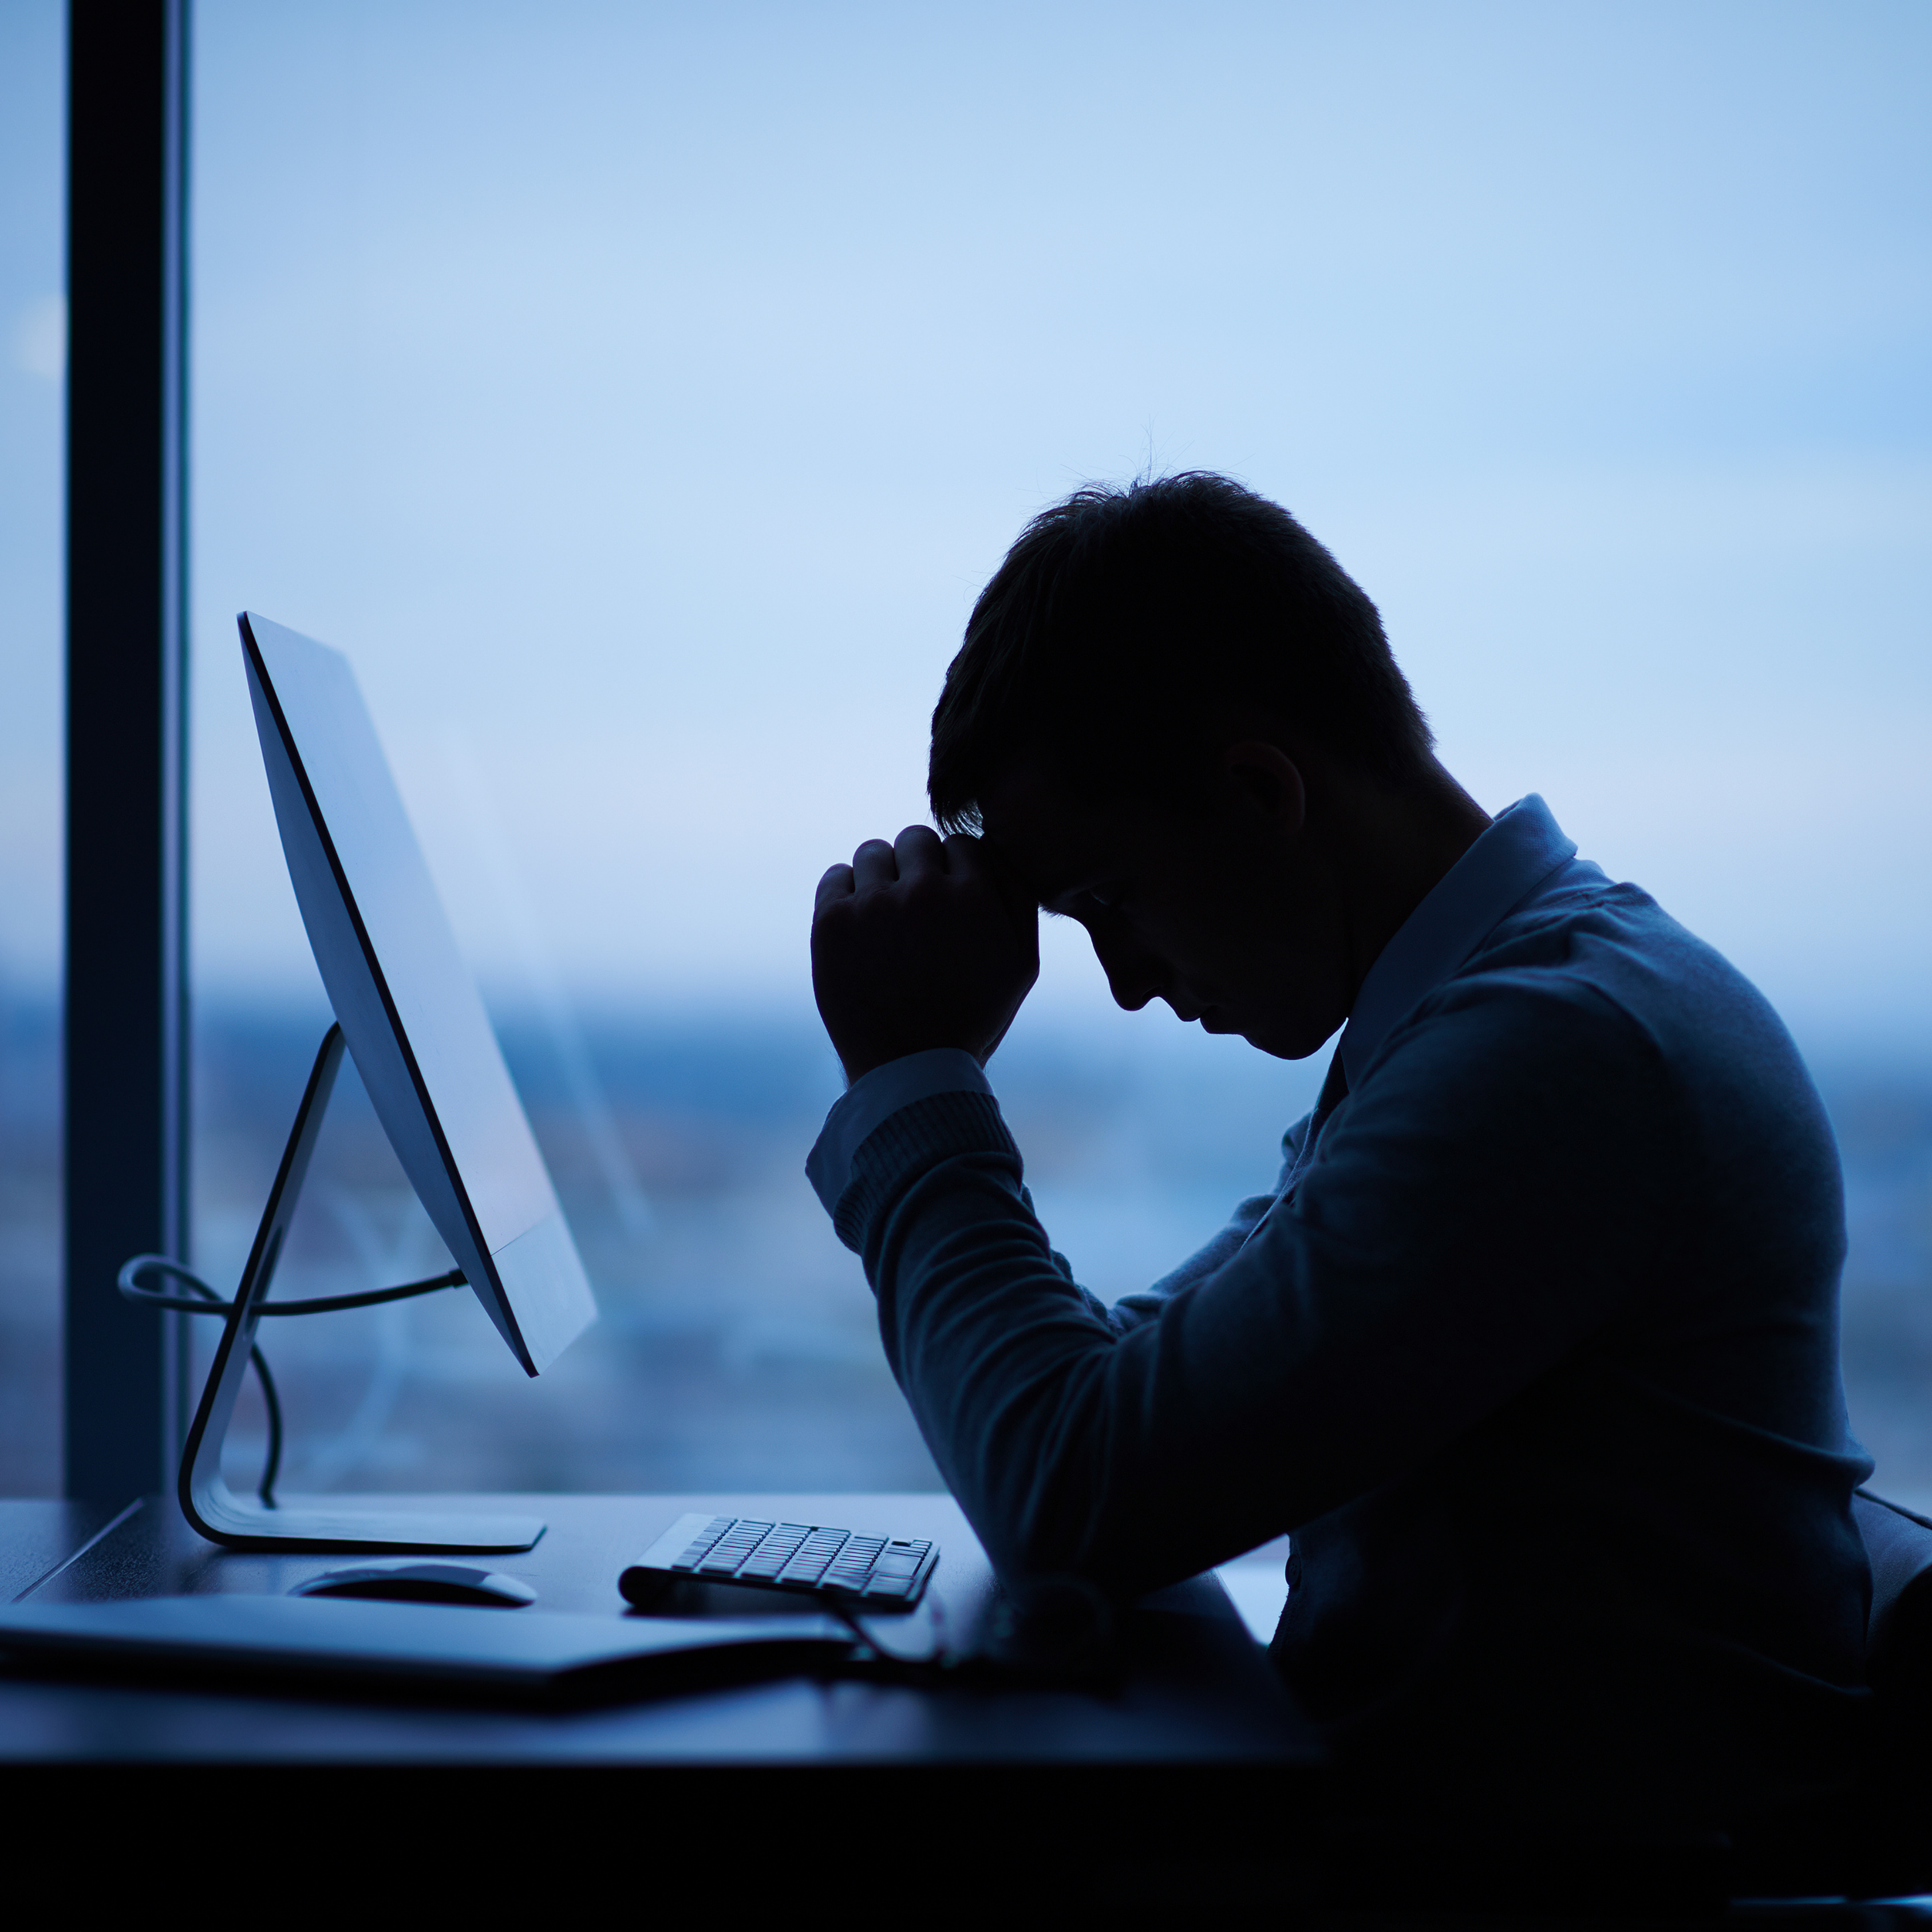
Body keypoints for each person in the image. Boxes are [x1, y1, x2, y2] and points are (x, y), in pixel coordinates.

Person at [805, 471, 1872, 1834]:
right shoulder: (1495, 1014)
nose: (1127, 982)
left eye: (1110, 901)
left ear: (1260, 792)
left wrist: (910, 1076)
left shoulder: (1558, 1058)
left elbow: (1073, 1488)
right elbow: (1135, 1401)